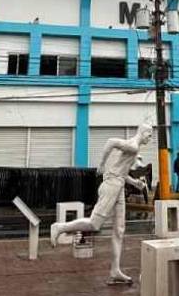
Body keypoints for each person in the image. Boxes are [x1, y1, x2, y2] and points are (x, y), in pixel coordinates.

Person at [50, 119, 154, 284]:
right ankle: (60, 227)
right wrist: (101, 165)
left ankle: (115, 270)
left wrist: (134, 183)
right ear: (142, 132)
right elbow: (111, 142)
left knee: (119, 230)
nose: (151, 138)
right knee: (94, 224)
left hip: (118, 185)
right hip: (111, 185)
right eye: (150, 134)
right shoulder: (133, 145)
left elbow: (121, 170)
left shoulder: (135, 148)